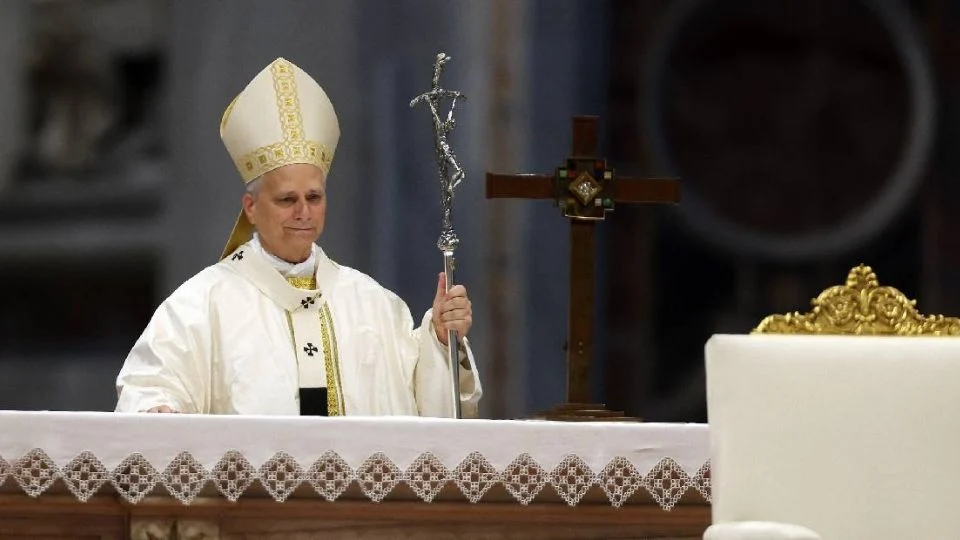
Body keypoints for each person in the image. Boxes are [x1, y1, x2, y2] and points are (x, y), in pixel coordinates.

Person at [114, 57, 482, 417]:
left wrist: (440, 338)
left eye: (314, 198)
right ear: (251, 207)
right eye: (287, 200)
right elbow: (149, 387)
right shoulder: (202, 305)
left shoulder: (373, 304)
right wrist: (158, 410)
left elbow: (429, 416)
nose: (303, 212)